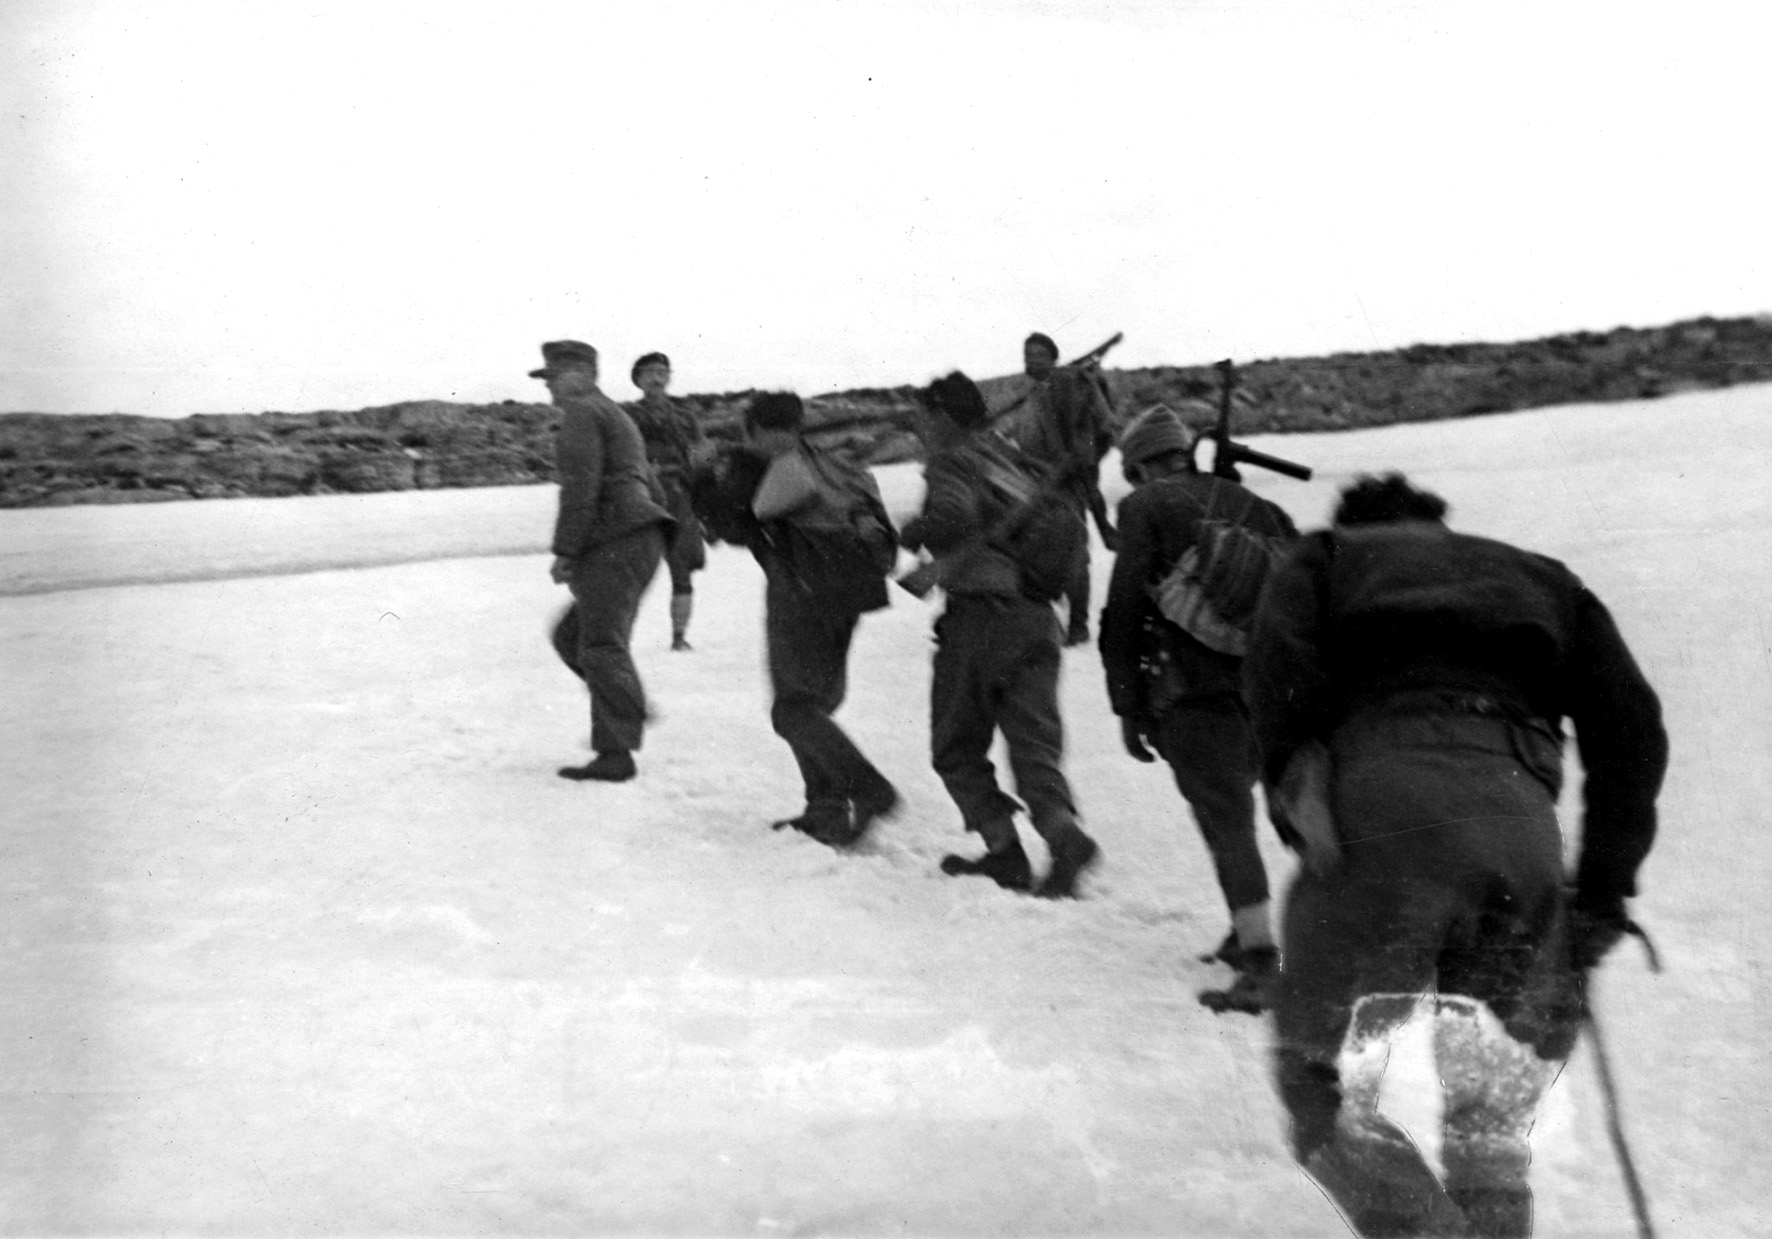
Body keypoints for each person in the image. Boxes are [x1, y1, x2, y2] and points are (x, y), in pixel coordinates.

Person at [1243, 473, 1667, 1239]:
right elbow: (1632, 728)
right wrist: (1603, 893)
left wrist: (1299, 793)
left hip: (1380, 814)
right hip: (1519, 831)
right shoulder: (1544, 579)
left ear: (1357, 522)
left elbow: (1275, 668)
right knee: (1491, 1120)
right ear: (1438, 524)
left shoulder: (1327, 557)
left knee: (1323, 1086)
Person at [1096, 405, 1298, 1007]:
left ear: (1139, 467)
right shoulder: (1259, 506)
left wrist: (1127, 704)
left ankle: (1262, 965)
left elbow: (1125, 610)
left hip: (1194, 691)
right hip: (1270, 690)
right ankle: (1248, 929)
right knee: (1253, 815)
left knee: (1226, 821)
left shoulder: (1146, 506)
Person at [899, 371, 1100, 897]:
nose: (918, 428)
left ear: (943, 416)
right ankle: (1063, 835)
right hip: (1038, 618)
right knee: (1035, 746)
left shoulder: (953, 461)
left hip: (981, 619)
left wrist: (914, 531)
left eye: (922, 417)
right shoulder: (1015, 460)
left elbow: (953, 515)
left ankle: (1004, 851)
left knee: (956, 746)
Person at [689, 392, 900, 847]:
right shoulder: (826, 461)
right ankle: (826, 809)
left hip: (799, 591)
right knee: (814, 704)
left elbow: (726, 524)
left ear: (754, 429)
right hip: (851, 589)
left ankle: (866, 787)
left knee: (793, 709)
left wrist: (702, 473)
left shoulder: (760, 463)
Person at [533, 340, 673, 783]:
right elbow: (655, 487)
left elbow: (580, 488)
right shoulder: (616, 414)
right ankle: (627, 704)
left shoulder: (582, 412)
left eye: (555, 376)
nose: (549, 386)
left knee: (600, 646)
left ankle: (616, 754)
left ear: (584, 374)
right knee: (572, 636)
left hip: (615, 540)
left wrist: (566, 551)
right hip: (638, 537)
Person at [1001, 333, 1117, 647]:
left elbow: (1098, 431)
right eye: (1027, 354)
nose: (1031, 360)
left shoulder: (1070, 386)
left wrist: (1080, 463)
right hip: (1036, 483)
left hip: (1067, 483)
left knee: (1074, 553)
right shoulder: (1036, 395)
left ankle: (1078, 625)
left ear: (1053, 358)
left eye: (1039, 354)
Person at [625, 352, 709, 651]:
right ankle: (619, 636)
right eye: (649, 372)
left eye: (662, 372)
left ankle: (679, 637)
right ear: (638, 379)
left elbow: (700, 458)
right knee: (629, 570)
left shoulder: (685, 417)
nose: (657, 378)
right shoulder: (627, 416)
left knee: (681, 566)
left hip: (679, 496)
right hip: (641, 497)